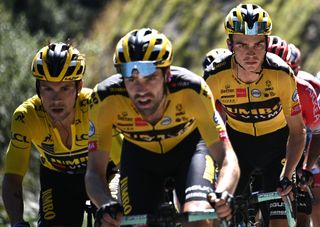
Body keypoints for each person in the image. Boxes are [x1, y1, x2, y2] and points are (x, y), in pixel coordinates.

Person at [85, 28, 240, 227]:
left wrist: (223, 193)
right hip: (140, 159)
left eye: (150, 78)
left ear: (167, 74)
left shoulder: (193, 90)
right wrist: (106, 204)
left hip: (190, 152)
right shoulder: (104, 99)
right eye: (131, 80)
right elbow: (94, 172)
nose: (141, 90)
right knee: (137, 223)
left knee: (198, 216)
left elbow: (227, 156)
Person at [204, 4, 306, 227]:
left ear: (267, 43)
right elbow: (202, 130)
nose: (251, 53)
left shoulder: (281, 74)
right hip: (238, 148)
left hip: (276, 148)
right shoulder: (215, 76)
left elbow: (298, 133)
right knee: (223, 215)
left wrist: (288, 174)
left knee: (279, 221)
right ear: (229, 44)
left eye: (258, 44)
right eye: (242, 44)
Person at [2, 42, 122, 227]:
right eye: (48, 89)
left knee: (112, 218)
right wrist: (17, 222)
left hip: (105, 174)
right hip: (58, 179)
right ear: (37, 88)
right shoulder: (26, 117)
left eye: (64, 88)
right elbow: (12, 177)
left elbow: (126, 164)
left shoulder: (96, 107)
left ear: (79, 86)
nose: (56, 99)